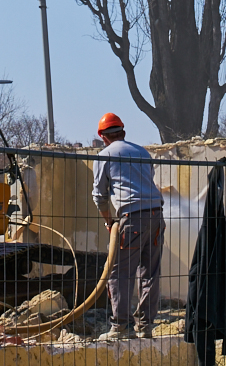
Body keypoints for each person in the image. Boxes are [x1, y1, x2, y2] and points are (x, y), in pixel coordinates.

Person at [92, 112, 165, 340]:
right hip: (156, 216)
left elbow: (99, 196)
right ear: (123, 132)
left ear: (103, 137)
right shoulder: (142, 152)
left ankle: (120, 327)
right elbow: (147, 180)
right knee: (150, 272)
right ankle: (145, 327)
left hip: (132, 218)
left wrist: (108, 220)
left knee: (120, 272)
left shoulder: (104, 156)